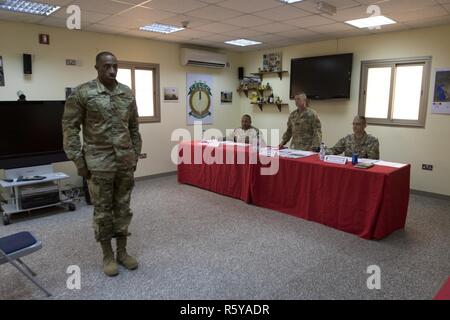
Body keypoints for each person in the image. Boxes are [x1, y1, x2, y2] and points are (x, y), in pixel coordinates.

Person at [62, 51, 142, 277]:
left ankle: (122, 252)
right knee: (103, 210)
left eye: (115, 66)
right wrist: (78, 160)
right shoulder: (83, 93)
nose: (112, 70)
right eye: (107, 66)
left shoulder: (126, 93)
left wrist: (134, 154)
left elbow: (134, 128)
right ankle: (107, 255)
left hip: (124, 162)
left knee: (123, 208)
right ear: (96, 67)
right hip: (98, 164)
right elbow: (69, 128)